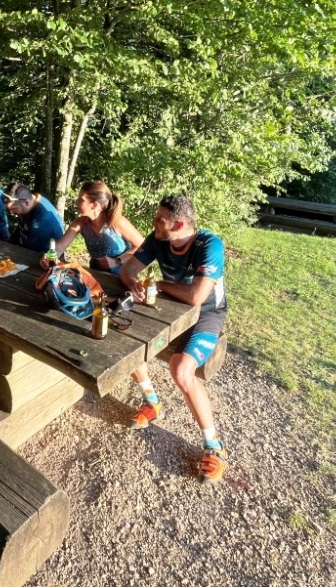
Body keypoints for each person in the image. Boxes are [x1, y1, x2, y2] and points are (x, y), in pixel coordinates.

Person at [119, 194, 229, 485]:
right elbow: (127, 269)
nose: (153, 222)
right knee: (125, 336)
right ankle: (152, 403)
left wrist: (157, 284)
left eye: (160, 219)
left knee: (181, 370)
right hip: (168, 306)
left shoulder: (209, 245)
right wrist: (134, 284)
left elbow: (196, 297)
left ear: (179, 224)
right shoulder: (158, 238)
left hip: (207, 313)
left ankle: (214, 446)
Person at [41, 181, 143, 275]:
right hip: (96, 274)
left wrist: (117, 261)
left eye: (81, 200)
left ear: (94, 205)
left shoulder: (116, 221)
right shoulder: (81, 223)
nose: (76, 202)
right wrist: (49, 257)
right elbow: (60, 246)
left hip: (122, 275)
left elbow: (142, 247)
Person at [4, 184, 65, 253]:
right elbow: (18, 233)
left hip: (42, 256)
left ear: (26, 203)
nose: (11, 212)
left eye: (13, 209)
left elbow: (29, 253)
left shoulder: (41, 221)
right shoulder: (31, 203)